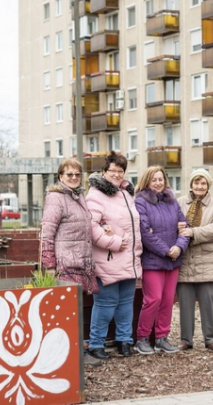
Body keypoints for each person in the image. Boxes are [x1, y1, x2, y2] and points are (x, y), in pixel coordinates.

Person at [40, 158, 103, 367]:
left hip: (80, 262)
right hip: (64, 264)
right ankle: (70, 355)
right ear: (60, 177)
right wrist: (49, 266)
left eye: (77, 174)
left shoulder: (78, 196)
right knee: (67, 313)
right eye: (69, 174)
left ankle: (74, 352)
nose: (74, 178)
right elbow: (47, 234)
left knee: (74, 311)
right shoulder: (56, 198)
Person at [85, 151, 143, 360]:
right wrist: (115, 242)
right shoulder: (96, 195)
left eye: (120, 171)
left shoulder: (127, 193)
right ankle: (96, 343)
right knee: (106, 304)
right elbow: (91, 227)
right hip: (109, 257)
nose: (117, 175)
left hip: (129, 258)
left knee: (126, 303)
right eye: (112, 171)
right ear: (104, 172)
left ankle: (124, 341)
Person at [133, 166, 190, 355]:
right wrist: (167, 251)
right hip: (153, 260)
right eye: (154, 179)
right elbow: (145, 232)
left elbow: (185, 227)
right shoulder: (141, 201)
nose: (158, 183)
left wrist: (179, 246)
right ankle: (142, 338)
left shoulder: (172, 201)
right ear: (147, 181)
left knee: (167, 300)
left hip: (173, 260)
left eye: (161, 179)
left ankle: (161, 338)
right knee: (153, 299)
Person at [176, 169, 213, 351]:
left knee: (208, 303)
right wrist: (178, 227)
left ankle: (209, 338)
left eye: (203, 183)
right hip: (185, 260)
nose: (199, 186)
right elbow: (171, 222)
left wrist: (193, 232)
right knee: (185, 303)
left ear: (208, 186)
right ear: (191, 184)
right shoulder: (180, 202)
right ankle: (186, 340)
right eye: (196, 183)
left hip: (207, 261)